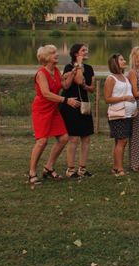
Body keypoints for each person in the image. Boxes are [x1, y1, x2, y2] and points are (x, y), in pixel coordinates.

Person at [28, 45, 80, 184]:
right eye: (53, 53)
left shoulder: (56, 70)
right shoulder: (41, 73)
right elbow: (45, 93)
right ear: (46, 58)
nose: (57, 55)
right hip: (41, 109)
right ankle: (32, 172)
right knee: (42, 141)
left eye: (56, 52)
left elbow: (65, 86)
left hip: (53, 109)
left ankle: (48, 167)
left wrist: (73, 73)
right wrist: (66, 100)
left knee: (63, 138)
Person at [60, 43, 95, 178]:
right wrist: (79, 65)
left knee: (86, 137)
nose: (86, 52)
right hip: (71, 105)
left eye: (86, 50)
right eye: (83, 50)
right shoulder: (69, 67)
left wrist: (87, 86)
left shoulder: (90, 68)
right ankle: (70, 169)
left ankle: (82, 168)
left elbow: (91, 87)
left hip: (84, 105)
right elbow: (79, 80)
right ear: (76, 54)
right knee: (73, 138)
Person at [103, 53, 137, 176]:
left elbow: (130, 93)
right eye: (121, 59)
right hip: (118, 114)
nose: (124, 61)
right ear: (115, 63)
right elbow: (107, 99)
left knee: (121, 141)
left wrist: (134, 106)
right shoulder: (111, 79)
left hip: (128, 114)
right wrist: (124, 98)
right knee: (122, 140)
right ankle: (120, 169)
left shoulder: (124, 77)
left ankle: (116, 167)